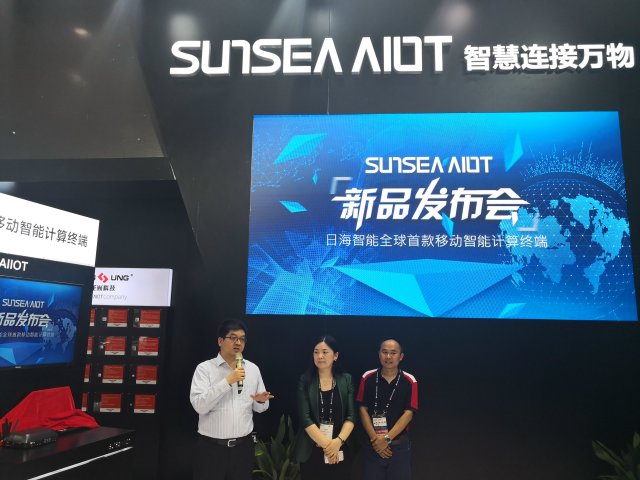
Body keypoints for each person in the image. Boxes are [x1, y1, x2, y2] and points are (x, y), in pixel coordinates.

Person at [189, 319, 273, 480]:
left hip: (243, 449)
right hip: (211, 449)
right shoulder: (204, 369)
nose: (238, 342)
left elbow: (261, 408)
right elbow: (200, 406)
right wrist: (228, 381)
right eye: (233, 337)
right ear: (220, 341)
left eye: (242, 339)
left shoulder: (253, 369)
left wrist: (260, 401)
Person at [292, 335, 356, 480]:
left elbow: (351, 416)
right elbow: (305, 418)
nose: (320, 356)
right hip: (312, 448)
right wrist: (328, 447)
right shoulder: (305, 380)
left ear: (336, 356)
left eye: (325, 352)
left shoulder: (346, 379)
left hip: (340, 446)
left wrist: (337, 443)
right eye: (316, 352)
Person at [357, 338, 418, 480]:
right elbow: (362, 409)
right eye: (384, 352)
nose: (388, 356)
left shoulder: (410, 381)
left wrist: (386, 439)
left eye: (393, 353)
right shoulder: (368, 377)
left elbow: (409, 413)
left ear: (401, 356)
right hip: (373, 445)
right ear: (379, 354)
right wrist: (376, 440)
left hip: (398, 447)